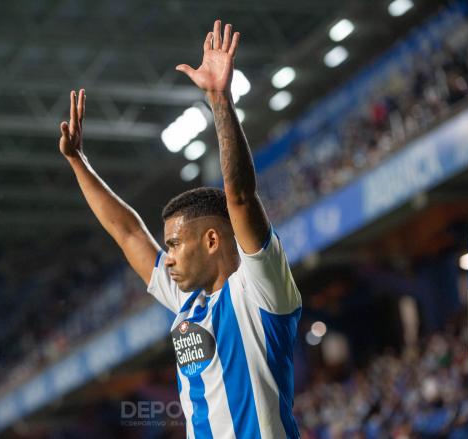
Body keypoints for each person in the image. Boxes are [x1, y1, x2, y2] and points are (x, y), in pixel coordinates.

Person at [59, 20, 302, 439]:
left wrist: (219, 99)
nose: (165, 256)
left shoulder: (259, 288)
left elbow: (240, 197)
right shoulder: (187, 302)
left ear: (212, 240)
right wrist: (78, 162)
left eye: (174, 244)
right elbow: (128, 233)